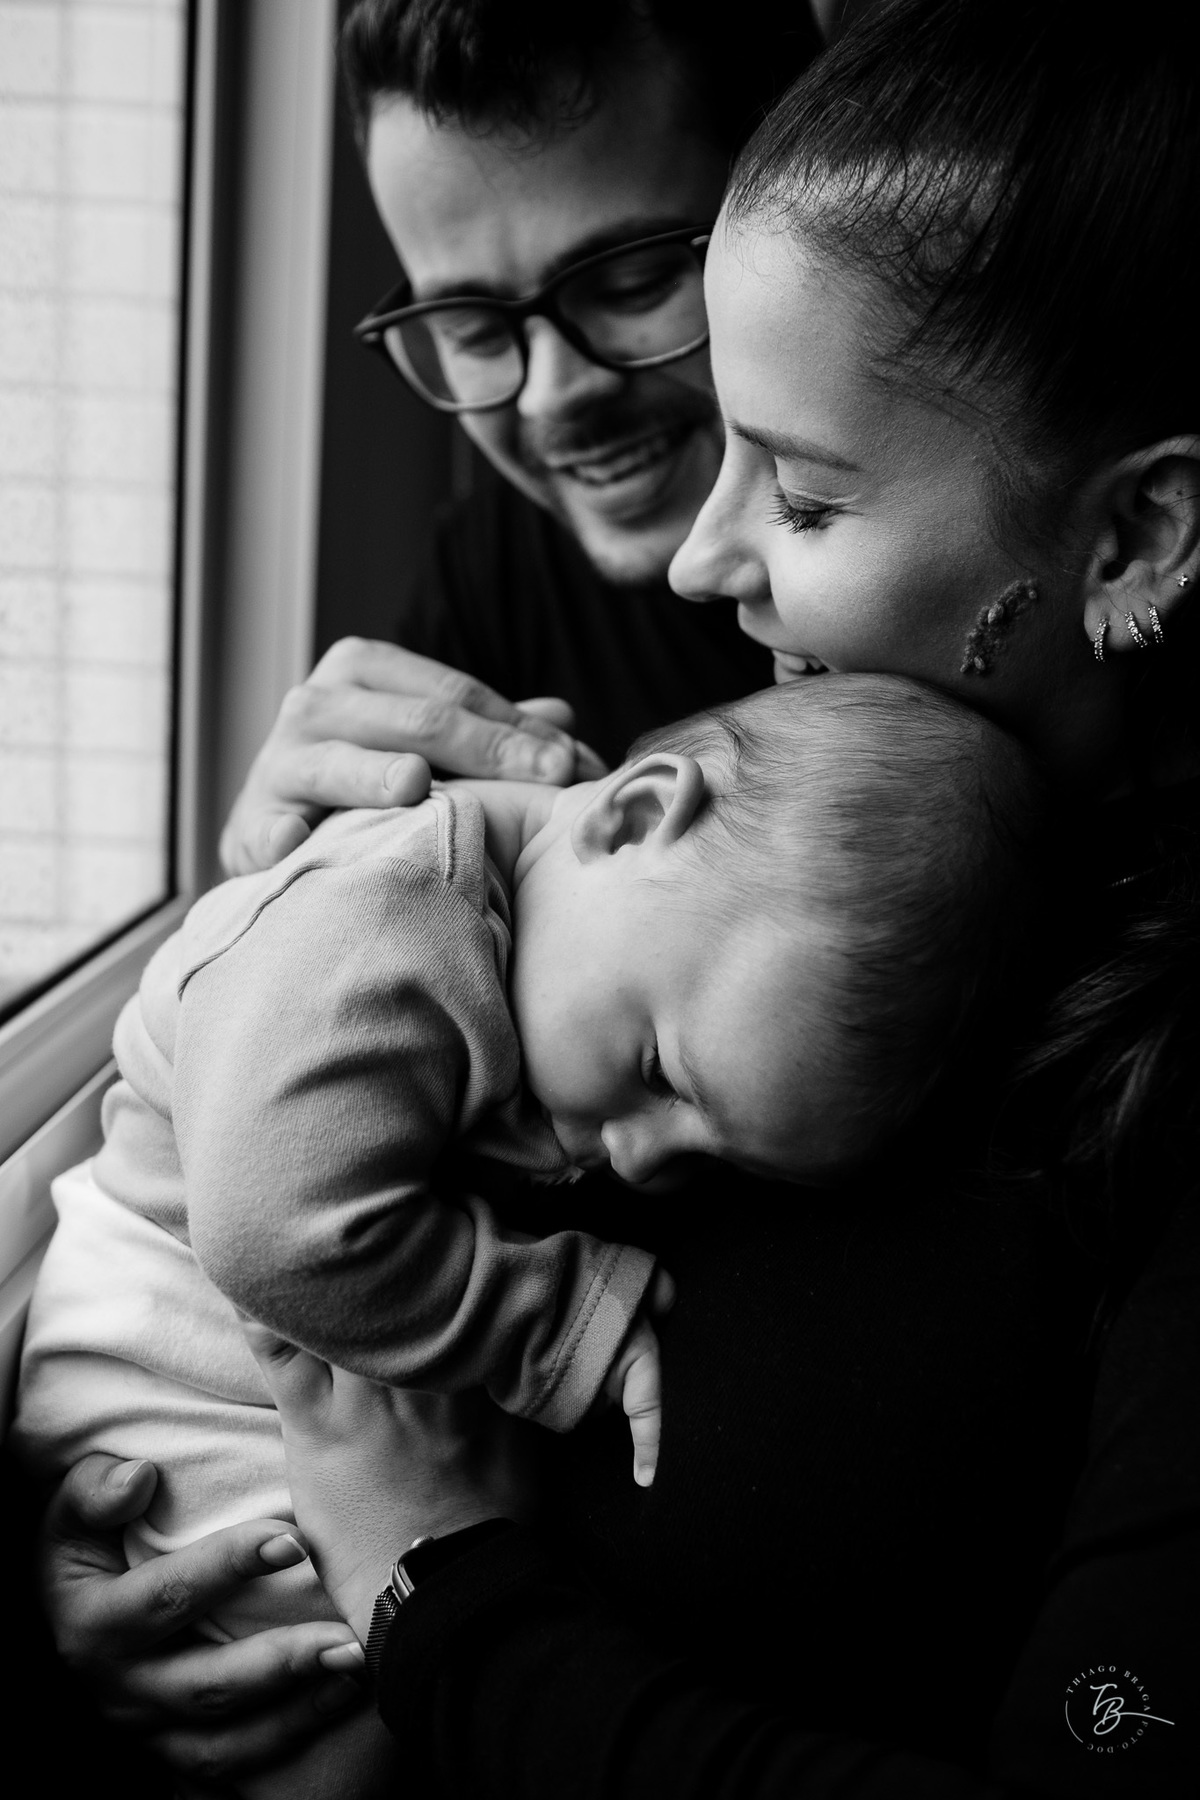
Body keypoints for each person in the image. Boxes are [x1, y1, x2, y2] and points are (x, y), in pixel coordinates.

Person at [36, 0, 1200, 1793]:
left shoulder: (1123, 1054)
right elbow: (254, 1155)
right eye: (468, 323)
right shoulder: (524, 626)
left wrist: (439, 1596)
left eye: (634, 278)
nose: (697, 558)